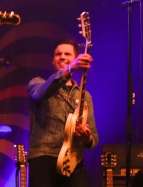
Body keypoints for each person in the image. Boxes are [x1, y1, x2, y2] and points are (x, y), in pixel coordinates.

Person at [27, 38, 98, 187]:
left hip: (73, 161)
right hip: (44, 158)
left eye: (67, 54)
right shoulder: (37, 83)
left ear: (75, 57)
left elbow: (93, 140)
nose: (62, 57)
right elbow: (39, 94)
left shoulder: (85, 96)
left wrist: (86, 138)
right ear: (53, 61)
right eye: (58, 54)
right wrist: (69, 69)